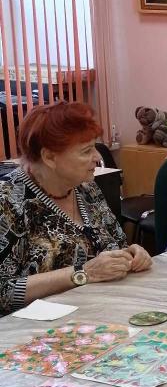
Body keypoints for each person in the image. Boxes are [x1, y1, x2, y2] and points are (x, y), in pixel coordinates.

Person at [0, 102, 152, 314]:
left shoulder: (86, 188)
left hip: (98, 312)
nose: (98, 158)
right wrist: (82, 273)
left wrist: (131, 254)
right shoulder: (7, 201)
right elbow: (3, 292)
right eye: (86, 151)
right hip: (34, 330)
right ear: (49, 157)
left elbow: (115, 246)